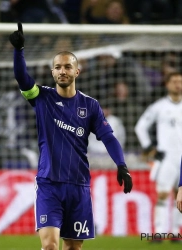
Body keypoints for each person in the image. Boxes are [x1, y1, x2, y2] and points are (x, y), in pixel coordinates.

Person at [9, 23, 133, 250]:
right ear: (52, 72)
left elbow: (108, 138)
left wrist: (122, 165)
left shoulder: (90, 105)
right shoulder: (41, 97)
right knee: (50, 246)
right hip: (49, 184)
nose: (62, 71)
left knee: (73, 248)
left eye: (67, 67)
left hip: (79, 186)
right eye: (58, 67)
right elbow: (22, 77)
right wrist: (19, 50)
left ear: (77, 71)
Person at [135, 72, 182, 241]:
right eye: (174, 81)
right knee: (162, 194)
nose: (178, 84)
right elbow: (140, 127)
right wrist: (149, 147)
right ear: (167, 84)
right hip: (166, 157)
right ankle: (159, 232)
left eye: (180, 81)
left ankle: (176, 233)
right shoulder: (159, 106)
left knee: (180, 196)